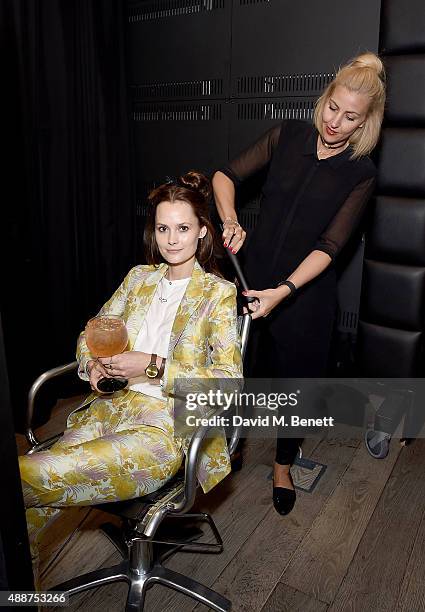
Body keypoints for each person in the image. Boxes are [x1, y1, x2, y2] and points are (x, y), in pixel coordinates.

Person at [19, 171, 242, 569]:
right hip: (107, 409)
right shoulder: (138, 278)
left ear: (203, 232)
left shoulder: (217, 294)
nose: (172, 239)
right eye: (163, 228)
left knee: (24, 476)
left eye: (183, 228)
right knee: (32, 487)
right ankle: (22, 589)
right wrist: (94, 366)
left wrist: (154, 366)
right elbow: (93, 332)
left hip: (163, 427)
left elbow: (229, 384)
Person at [212, 52, 386, 515]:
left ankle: (283, 464)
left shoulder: (361, 173)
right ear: (325, 99)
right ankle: (228, 446)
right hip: (252, 278)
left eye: (351, 117)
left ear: (366, 122)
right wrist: (230, 220)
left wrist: (284, 292)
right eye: (333, 108)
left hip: (304, 294)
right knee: (237, 371)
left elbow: (331, 247)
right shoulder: (286, 135)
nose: (335, 122)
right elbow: (225, 176)